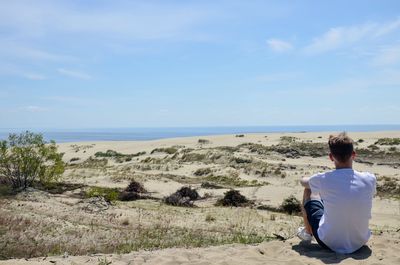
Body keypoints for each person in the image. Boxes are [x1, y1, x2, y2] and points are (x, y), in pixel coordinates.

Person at [297, 132, 376, 254]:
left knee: (309, 189)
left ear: (331, 157)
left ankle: (307, 233)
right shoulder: (369, 179)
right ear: (353, 155)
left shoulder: (324, 179)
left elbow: (303, 182)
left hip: (329, 243)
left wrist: (310, 178)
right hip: (360, 242)